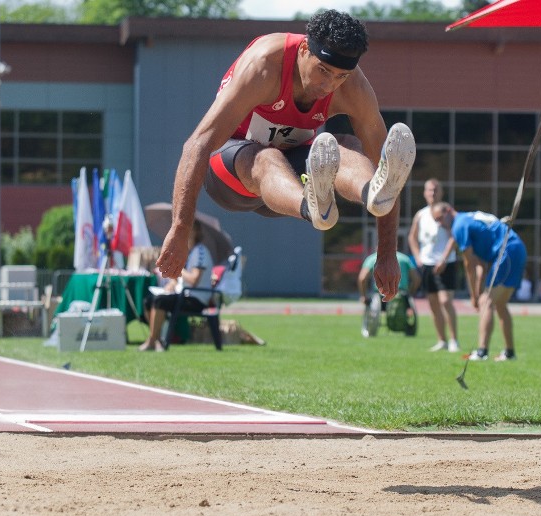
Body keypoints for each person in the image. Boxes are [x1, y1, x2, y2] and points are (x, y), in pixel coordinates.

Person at [155, 9, 415, 303]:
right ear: (305, 49)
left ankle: (368, 192)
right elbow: (197, 144)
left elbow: (387, 162)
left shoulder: (353, 87)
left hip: (288, 179)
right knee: (266, 158)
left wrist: (387, 251)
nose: (328, 85)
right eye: (323, 71)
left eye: (340, 76)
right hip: (231, 172)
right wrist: (180, 229)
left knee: (347, 146)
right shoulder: (265, 65)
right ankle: (313, 207)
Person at [432, 203, 526, 362]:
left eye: (440, 219)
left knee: (486, 302)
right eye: (436, 221)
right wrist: (476, 292)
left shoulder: (459, 226)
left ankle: (482, 352)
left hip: (506, 252)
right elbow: (481, 266)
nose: (440, 224)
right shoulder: (468, 217)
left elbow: (469, 265)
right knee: (500, 304)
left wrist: (475, 297)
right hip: (517, 249)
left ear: (449, 210)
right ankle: (509, 353)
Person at [140, 220, 214, 352]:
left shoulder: (200, 252)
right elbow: (182, 278)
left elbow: (194, 279)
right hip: (184, 293)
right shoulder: (189, 251)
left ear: (195, 232)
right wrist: (172, 283)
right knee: (148, 301)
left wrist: (178, 268)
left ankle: (152, 341)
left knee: (160, 301)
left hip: (197, 299)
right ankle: (156, 339)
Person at [408, 178, 459, 353]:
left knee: (446, 301)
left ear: (441, 192)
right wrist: (418, 257)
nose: (432, 193)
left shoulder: (449, 212)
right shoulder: (420, 214)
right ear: (424, 193)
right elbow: (412, 237)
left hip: (446, 263)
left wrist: (444, 258)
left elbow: (456, 236)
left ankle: (454, 340)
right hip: (427, 264)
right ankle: (441, 341)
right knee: (433, 304)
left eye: (436, 190)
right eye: (429, 190)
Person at [358, 250, 420, 337]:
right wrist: (410, 293)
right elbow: (416, 279)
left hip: (382, 297)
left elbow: (362, 278)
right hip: (402, 296)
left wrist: (363, 296)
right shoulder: (404, 259)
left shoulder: (372, 258)